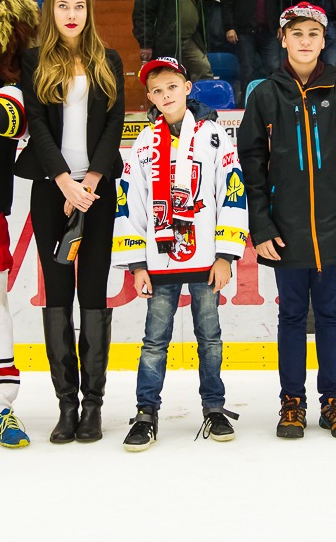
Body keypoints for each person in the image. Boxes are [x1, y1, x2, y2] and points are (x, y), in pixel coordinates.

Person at [239, 4, 336, 439]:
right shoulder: (264, 95)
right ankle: (292, 401)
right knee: (293, 315)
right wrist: (261, 227)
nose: (305, 41)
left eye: (313, 33)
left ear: (323, 40)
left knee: (332, 314)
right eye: (296, 33)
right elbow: (251, 168)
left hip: (335, 227)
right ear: (283, 39)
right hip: (285, 230)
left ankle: (332, 400)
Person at [111, 57, 249, 450]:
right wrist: (137, 264)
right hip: (159, 259)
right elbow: (130, 203)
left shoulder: (214, 136)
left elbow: (232, 192)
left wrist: (225, 255)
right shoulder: (143, 142)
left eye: (172, 86)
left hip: (206, 257)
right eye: (157, 90)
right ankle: (146, 413)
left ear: (188, 88)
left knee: (210, 336)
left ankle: (214, 407)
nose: (166, 95)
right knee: (154, 340)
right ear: (150, 97)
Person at [16, 0, 125, 443]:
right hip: (51, 191)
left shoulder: (109, 60)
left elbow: (115, 123)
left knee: (94, 293)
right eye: (63, 5)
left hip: (97, 192)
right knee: (58, 294)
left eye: (79, 5)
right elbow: (37, 126)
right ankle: (66, 405)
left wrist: (90, 181)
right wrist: (64, 181)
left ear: (89, 11)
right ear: (51, 12)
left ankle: (93, 407)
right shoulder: (35, 60)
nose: (72, 14)